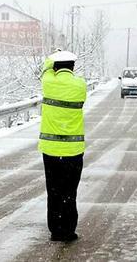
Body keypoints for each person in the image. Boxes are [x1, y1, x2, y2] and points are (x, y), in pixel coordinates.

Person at [38, 50, 87, 242]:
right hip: (74, 150)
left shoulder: (48, 83)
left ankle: (56, 231)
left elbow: (45, 69)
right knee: (70, 191)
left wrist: (52, 57)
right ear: (73, 68)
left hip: (51, 150)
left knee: (54, 190)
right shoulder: (80, 85)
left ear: (55, 67)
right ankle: (69, 231)